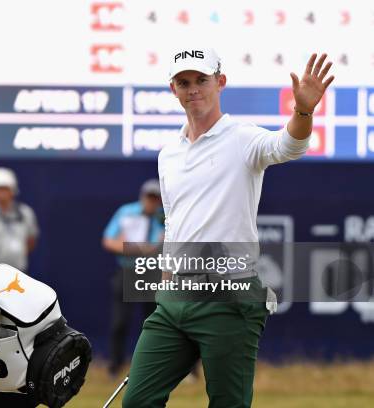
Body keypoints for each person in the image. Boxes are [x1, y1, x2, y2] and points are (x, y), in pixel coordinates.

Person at [122, 49, 334, 407]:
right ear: (173, 89)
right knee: (137, 402)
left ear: (220, 83)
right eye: (184, 82)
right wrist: (165, 278)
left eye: (201, 80)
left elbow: (290, 145)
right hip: (175, 299)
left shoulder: (242, 138)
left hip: (229, 296)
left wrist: (303, 111)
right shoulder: (168, 154)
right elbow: (174, 221)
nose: (193, 90)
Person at [102, 179, 164, 376]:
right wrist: (137, 248)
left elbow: (158, 248)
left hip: (153, 273)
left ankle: (152, 366)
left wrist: (130, 246)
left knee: (154, 322)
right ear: (142, 197)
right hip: (127, 271)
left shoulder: (165, 217)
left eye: (156, 199)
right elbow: (108, 241)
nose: (152, 202)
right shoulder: (126, 212)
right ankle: (115, 366)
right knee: (119, 322)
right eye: (149, 197)